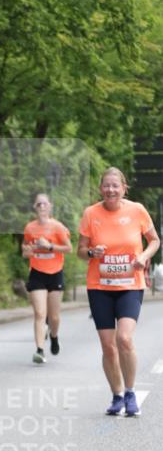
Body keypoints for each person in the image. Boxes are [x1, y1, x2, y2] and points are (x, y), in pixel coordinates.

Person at [78, 167, 160, 417]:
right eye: (106, 186)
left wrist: (143, 257)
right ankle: (116, 395)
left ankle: (131, 392)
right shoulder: (91, 213)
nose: (110, 190)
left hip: (130, 285)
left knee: (124, 339)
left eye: (115, 185)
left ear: (124, 188)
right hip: (99, 287)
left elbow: (155, 240)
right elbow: (81, 250)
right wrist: (92, 253)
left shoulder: (136, 210)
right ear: (101, 188)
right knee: (108, 346)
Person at [22, 193, 72, 364]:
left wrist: (49, 246)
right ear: (35, 208)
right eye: (38, 204)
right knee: (39, 313)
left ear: (50, 207)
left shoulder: (58, 227)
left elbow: (68, 248)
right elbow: (26, 248)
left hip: (55, 272)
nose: (42, 207)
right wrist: (27, 251)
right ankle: (40, 350)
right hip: (37, 272)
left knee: (55, 317)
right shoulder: (29, 228)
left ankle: (54, 335)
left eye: (44, 204)